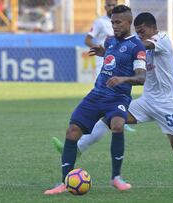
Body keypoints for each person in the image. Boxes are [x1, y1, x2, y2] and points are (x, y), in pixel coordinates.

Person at [53, 12, 173, 186]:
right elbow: (128, 53)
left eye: (142, 31)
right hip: (146, 102)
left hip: (168, 105)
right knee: (111, 119)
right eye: (138, 32)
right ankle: (78, 149)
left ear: (153, 27)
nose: (140, 35)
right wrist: (107, 52)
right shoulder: (138, 44)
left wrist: (122, 45)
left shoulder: (162, 39)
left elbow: (138, 46)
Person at [44, 5, 147, 195]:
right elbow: (112, 57)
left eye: (118, 22)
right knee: (72, 131)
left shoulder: (137, 47)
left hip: (118, 97)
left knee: (117, 124)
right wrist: (103, 52)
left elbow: (141, 77)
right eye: (112, 22)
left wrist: (123, 79)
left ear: (129, 22)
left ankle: (116, 177)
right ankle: (64, 182)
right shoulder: (110, 41)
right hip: (97, 94)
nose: (114, 26)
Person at [83, 0, 136, 132]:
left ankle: (118, 116)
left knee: (120, 89)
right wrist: (96, 47)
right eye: (109, 5)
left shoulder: (122, 21)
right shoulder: (100, 22)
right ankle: (113, 118)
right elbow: (88, 39)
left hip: (121, 61)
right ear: (104, 6)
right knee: (104, 91)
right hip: (104, 60)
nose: (111, 7)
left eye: (113, 5)